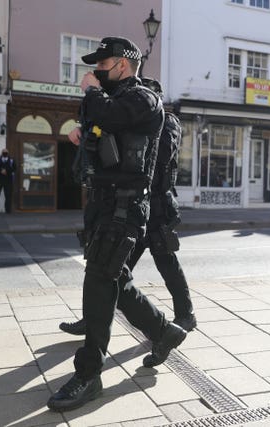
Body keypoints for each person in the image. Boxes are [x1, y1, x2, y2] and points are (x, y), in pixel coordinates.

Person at [46, 36, 186, 412]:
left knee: (98, 282)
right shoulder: (117, 100)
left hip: (125, 209)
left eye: (101, 66)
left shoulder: (144, 99)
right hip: (103, 204)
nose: (95, 73)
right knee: (115, 281)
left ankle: (89, 373)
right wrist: (82, 133)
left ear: (122, 64)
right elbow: (103, 130)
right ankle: (163, 330)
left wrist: (92, 94)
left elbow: (110, 116)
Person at [60, 102, 197, 336]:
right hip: (135, 204)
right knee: (113, 268)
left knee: (166, 263)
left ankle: (185, 315)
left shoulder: (166, 122)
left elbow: (161, 156)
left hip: (157, 207)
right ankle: (91, 319)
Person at [0, 148, 16, 213]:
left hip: (8, 181)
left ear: (8, 153)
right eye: (4, 152)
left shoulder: (12, 161)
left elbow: (14, 169)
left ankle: (8, 210)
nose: (5, 153)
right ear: (2, 153)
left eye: (6, 152)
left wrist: (6, 171)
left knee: (8, 196)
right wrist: (1, 170)